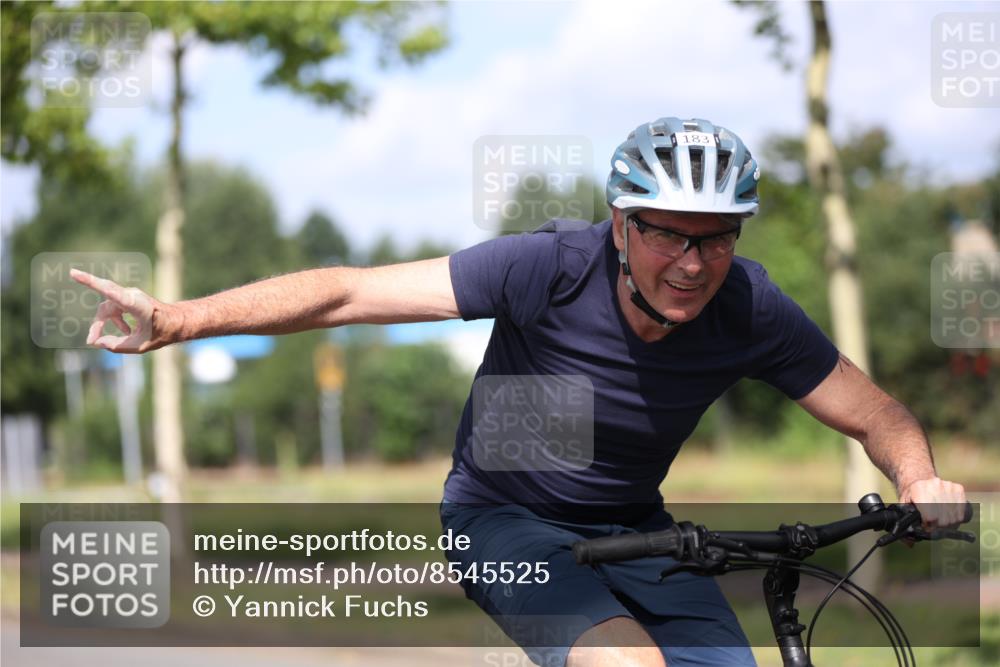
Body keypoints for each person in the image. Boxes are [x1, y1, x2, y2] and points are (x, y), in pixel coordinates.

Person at [72, 116, 967, 667]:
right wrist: (180, 319)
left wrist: (918, 476)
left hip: (636, 526)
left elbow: (876, 413)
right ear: (622, 224)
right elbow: (346, 291)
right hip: (501, 520)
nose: (694, 264)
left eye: (717, 238)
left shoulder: (749, 306)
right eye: (668, 236)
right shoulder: (545, 268)